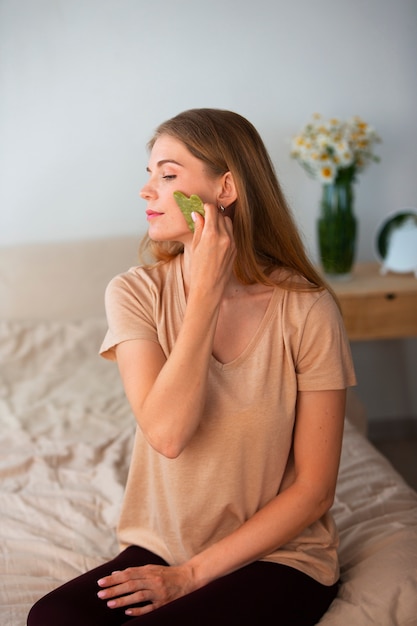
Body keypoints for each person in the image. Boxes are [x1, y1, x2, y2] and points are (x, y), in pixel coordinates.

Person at [27, 108, 356, 626]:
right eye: (149, 173)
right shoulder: (134, 292)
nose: (147, 190)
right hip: (166, 548)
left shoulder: (307, 309)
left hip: (278, 558)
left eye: (168, 174)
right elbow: (168, 433)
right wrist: (204, 294)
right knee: (53, 619)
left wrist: (192, 576)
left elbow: (314, 491)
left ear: (225, 188)